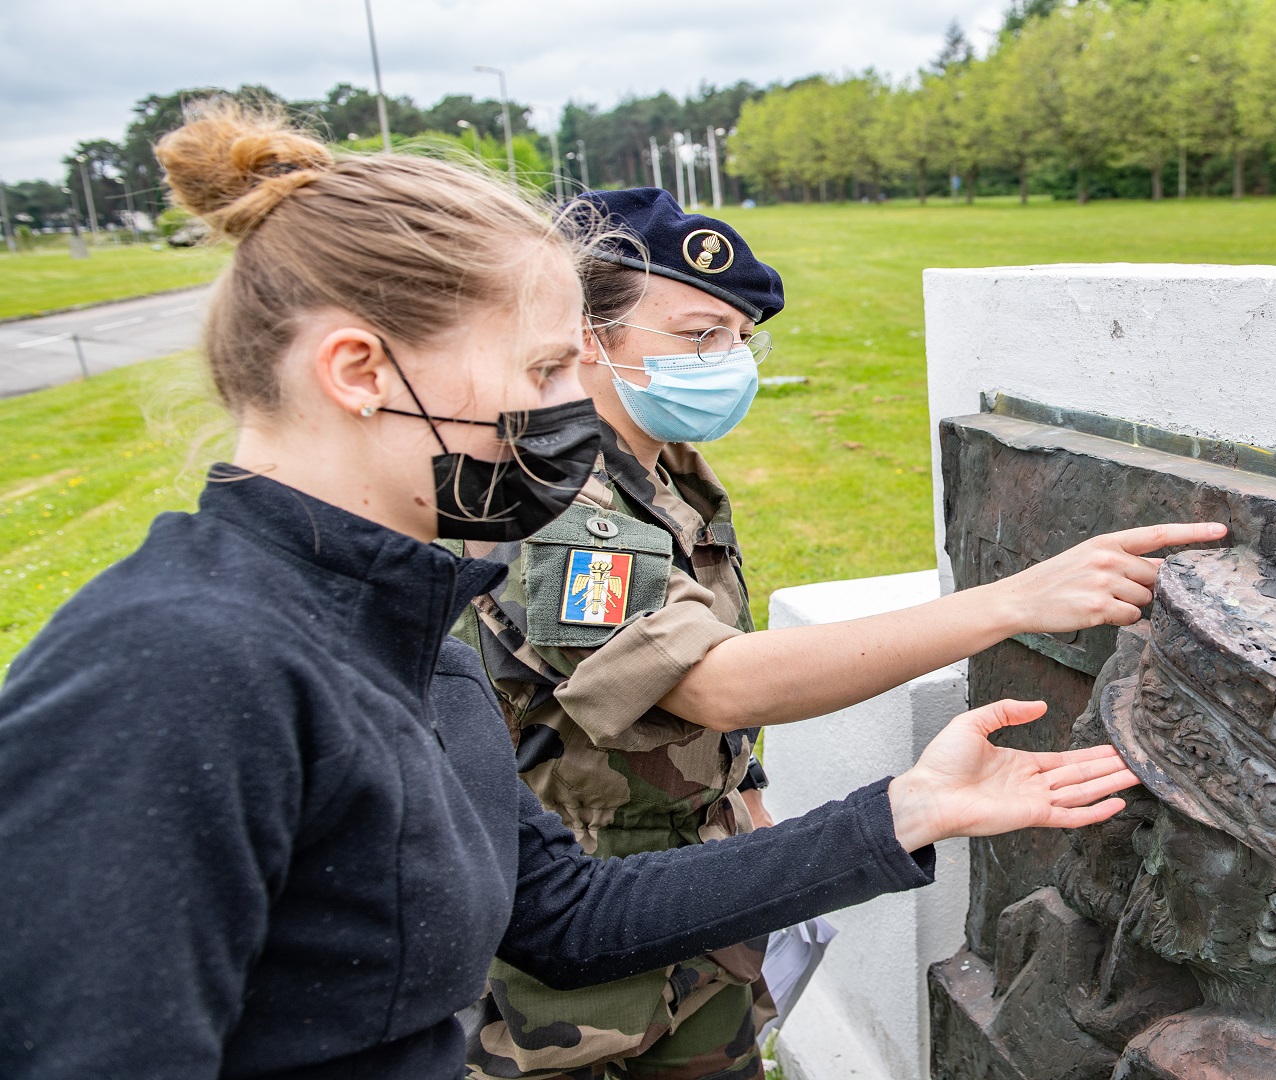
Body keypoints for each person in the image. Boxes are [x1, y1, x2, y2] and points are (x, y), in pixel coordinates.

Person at [0, 105, 1156, 1080]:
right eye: (546, 370)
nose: (570, 412)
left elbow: (563, 922)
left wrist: (910, 811)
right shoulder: (174, 668)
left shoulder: (415, 643)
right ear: (358, 372)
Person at [453, 188, 1224, 1080]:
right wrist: (1012, 601)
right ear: (589, 334)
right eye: (699, 336)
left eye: (741, 338)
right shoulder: (558, 500)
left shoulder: (668, 472)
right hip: (583, 937)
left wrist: (739, 804)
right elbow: (711, 682)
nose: (730, 362)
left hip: (707, 887)